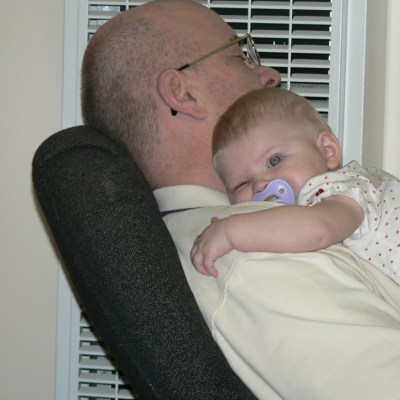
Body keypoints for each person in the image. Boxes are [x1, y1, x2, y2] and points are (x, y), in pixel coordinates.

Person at [81, 1, 400, 399]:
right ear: (183, 93)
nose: (270, 74)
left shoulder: (218, 233)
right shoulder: (253, 252)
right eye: (241, 56)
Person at [190, 87, 400, 285]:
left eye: (275, 160)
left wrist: (232, 231)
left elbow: (318, 228)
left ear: (327, 151)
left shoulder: (341, 189)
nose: (260, 185)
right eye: (242, 183)